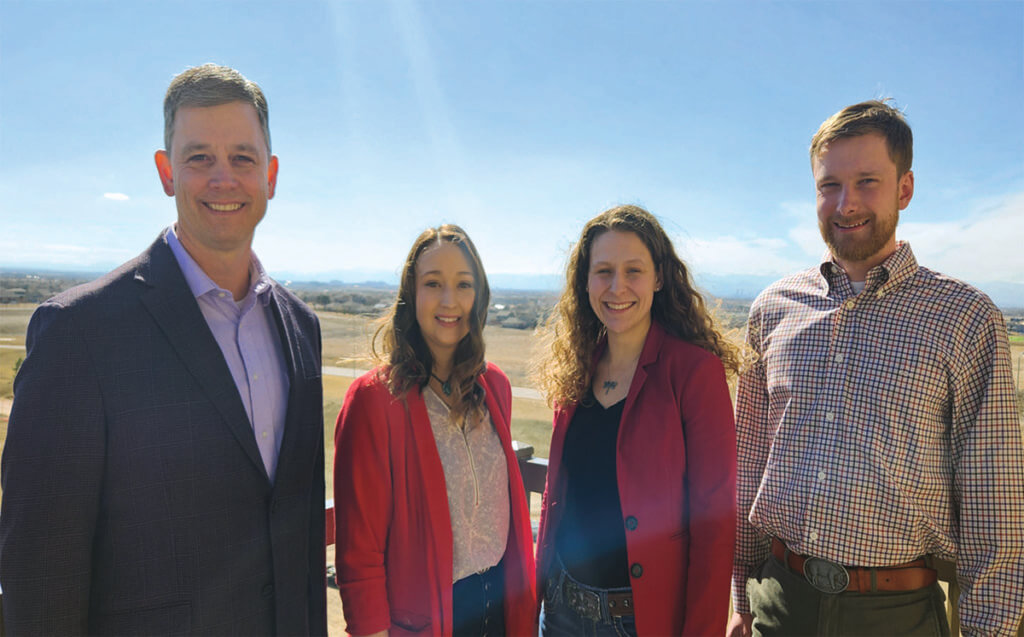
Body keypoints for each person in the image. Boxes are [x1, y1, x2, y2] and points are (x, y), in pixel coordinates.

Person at [0, 64, 327, 635]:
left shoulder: (301, 328)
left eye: (243, 159)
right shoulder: (79, 333)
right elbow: (41, 571)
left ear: (271, 176)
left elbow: (294, 530)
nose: (223, 178)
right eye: (199, 157)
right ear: (165, 171)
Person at [729, 100, 1024, 637]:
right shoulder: (773, 308)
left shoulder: (964, 317)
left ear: (904, 189)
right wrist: (740, 598)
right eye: (829, 185)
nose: (846, 204)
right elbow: (748, 462)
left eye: (867, 181)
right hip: (777, 601)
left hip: (897, 614)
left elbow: (994, 505)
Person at [533, 205, 740, 636]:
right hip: (561, 613)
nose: (617, 287)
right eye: (603, 271)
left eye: (634, 271)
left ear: (659, 278)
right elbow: (559, 492)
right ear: (585, 282)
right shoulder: (576, 368)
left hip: (641, 620)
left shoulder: (693, 372)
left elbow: (714, 524)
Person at [333, 224, 536, 637]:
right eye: (433, 283)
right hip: (426, 621)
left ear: (478, 295)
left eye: (463, 284)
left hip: (501, 609)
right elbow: (359, 551)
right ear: (411, 295)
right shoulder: (375, 400)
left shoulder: (493, 386)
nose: (450, 300)